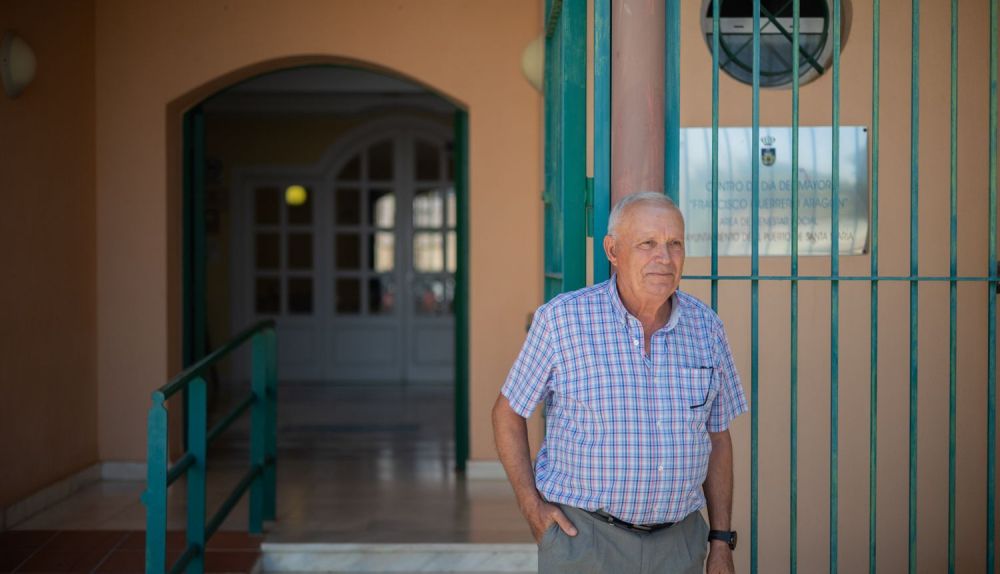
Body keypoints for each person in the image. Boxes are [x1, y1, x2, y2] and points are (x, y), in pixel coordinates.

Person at [492, 192, 748, 574]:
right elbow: (507, 413)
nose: (664, 257)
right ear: (613, 250)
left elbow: (718, 437)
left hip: (680, 545)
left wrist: (721, 540)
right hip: (585, 541)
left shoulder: (706, 328)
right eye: (647, 243)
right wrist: (532, 508)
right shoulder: (563, 321)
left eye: (674, 243)